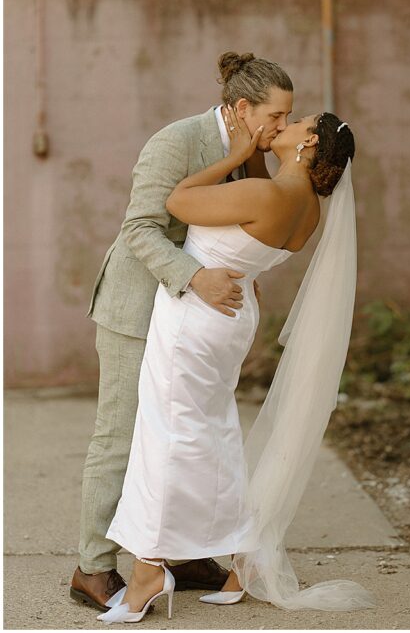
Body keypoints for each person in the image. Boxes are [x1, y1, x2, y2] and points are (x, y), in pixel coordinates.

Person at [98, 81, 371, 622]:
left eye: (295, 122)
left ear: (308, 144)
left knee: (167, 433)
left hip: (196, 319)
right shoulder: (306, 210)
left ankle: (149, 569)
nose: (283, 125)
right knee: (214, 428)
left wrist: (239, 155)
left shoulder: (264, 192)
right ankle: (241, 557)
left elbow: (177, 199)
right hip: (234, 313)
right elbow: (251, 246)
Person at [72, 53, 294, 610]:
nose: (281, 127)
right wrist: (197, 277)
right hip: (136, 311)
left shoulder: (251, 155)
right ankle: (93, 567)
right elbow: (140, 228)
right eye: (276, 115)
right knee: (120, 436)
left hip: (194, 324)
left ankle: (184, 549)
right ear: (242, 109)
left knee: (193, 432)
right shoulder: (176, 141)